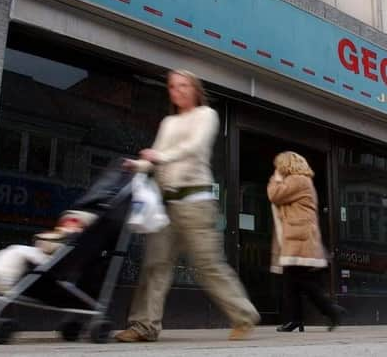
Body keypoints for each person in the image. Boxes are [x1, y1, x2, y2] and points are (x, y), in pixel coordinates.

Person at [114, 70, 260, 342]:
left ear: (195, 89)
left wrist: (159, 156)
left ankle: (244, 315)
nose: (177, 90)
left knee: (207, 265)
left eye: (183, 85)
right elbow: (155, 158)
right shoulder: (168, 123)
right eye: (172, 86)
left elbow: (194, 147)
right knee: (155, 265)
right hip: (166, 205)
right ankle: (143, 326)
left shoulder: (207, 115)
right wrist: (139, 164)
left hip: (197, 202)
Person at [267, 151, 344, 332]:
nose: (277, 169)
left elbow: (274, 195)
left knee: (301, 281)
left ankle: (331, 310)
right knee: (293, 282)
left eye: (279, 165)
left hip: (299, 239)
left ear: (287, 165)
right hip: (296, 238)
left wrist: (276, 178)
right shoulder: (300, 181)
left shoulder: (298, 180)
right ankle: (297, 319)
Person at [0, 210, 96, 293]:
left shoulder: (80, 239)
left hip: (60, 265)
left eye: (74, 223)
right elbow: (43, 244)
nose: (68, 225)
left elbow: (49, 245)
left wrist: (61, 235)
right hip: (50, 260)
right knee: (13, 249)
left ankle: (3, 283)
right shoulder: (65, 235)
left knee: (18, 251)